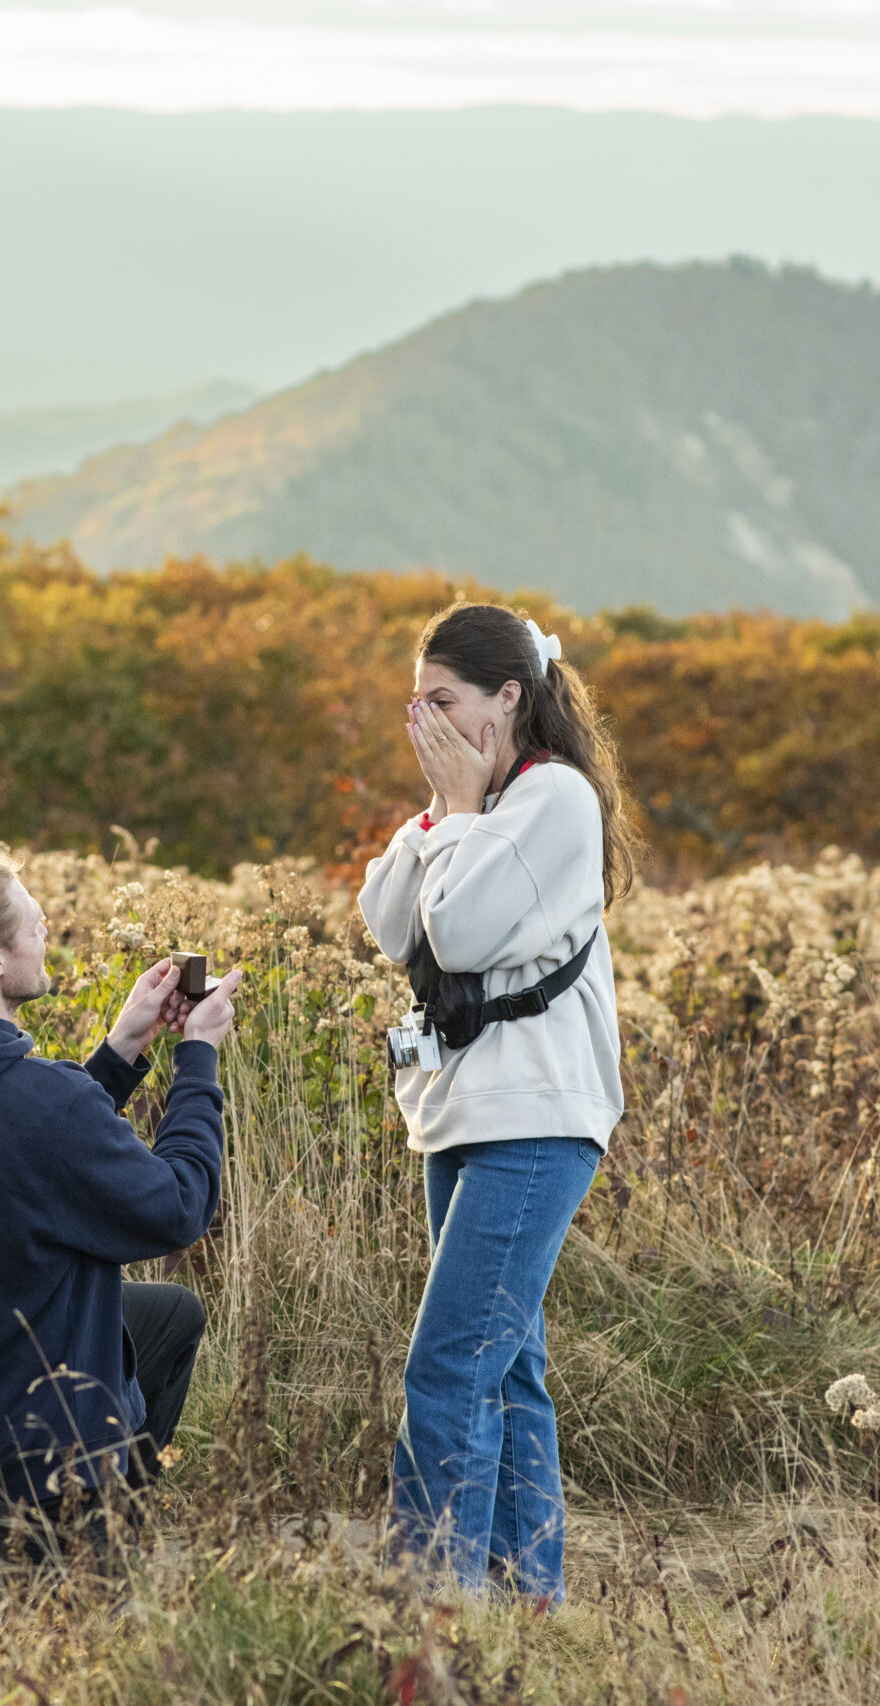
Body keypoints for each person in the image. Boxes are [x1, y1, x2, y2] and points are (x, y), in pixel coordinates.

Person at [0, 845, 243, 1572]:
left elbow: (20, 1145)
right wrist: (198, 1057)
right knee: (75, 1644)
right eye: (34, 921)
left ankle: (91, 1525)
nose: (47, 925)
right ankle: (87, 1533)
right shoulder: (31, 1101)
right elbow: (178, 1209)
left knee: (168, 1317)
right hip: (42, 1422)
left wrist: (122, 1050)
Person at [357, 603, 640, 1604]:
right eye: (416, 703)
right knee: (506, 1369)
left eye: (445, 700)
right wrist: (443, 809)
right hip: (462, 1115)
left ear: (507, 697)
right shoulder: (469, 802)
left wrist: (464, 813)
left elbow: (465, 933)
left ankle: (432, 1616)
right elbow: (391, 921)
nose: (424, 721)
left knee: (446, 1371)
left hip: (534, 1119)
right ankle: (530, 1604)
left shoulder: (551, 798)